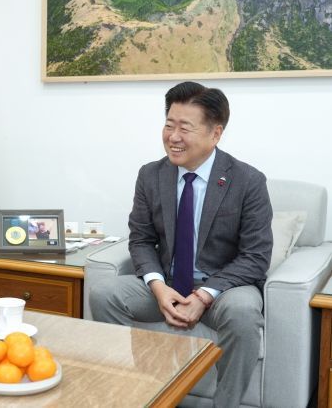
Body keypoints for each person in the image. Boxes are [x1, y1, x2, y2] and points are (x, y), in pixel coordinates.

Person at [89, 81, 272, 407]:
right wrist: (158, 286)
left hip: (224, 288)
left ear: (215, 134)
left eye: (185, 128)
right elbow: (141, 239)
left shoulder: (248, 181)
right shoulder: (151, 175)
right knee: (104, 293)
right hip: (168, 282)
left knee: (244, 313)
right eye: (168, 125)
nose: (173, 137)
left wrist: (204, 295)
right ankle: (130, 395)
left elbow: (256, 256)